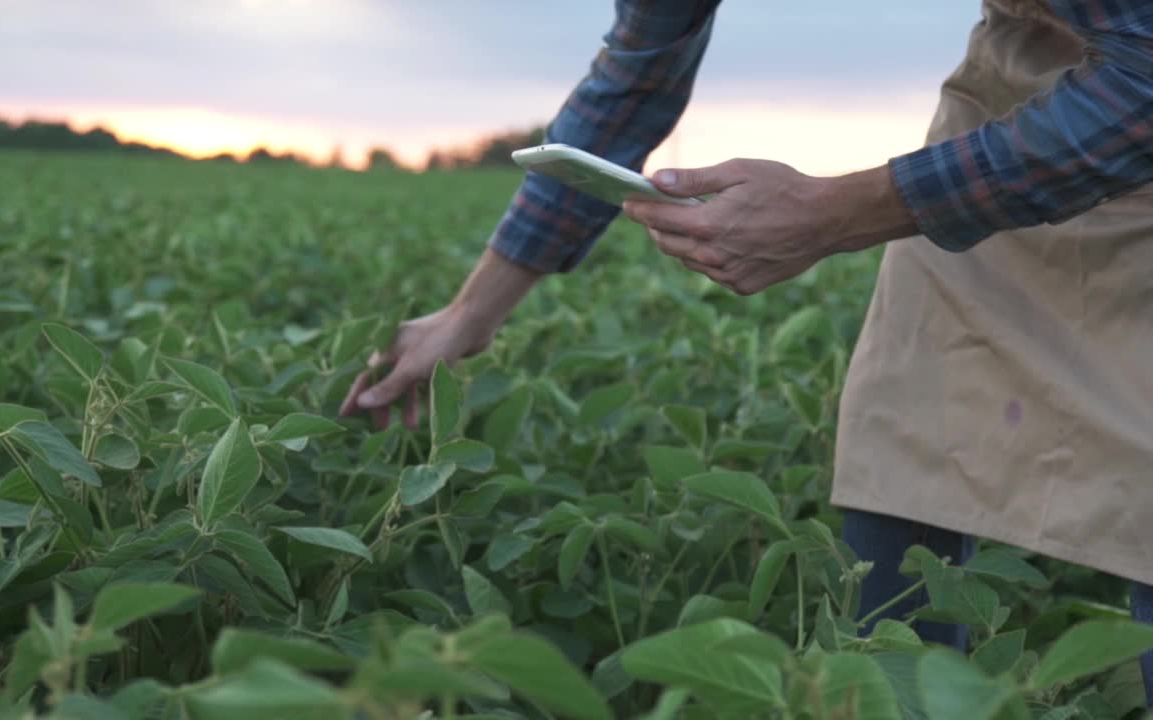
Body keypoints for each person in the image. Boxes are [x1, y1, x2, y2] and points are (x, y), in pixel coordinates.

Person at [340, 0, 1153, 704]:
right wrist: (471, 312)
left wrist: (837, 213)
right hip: (1017, 118)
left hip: (1130, 98)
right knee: (904, 446)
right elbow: (636, 76)